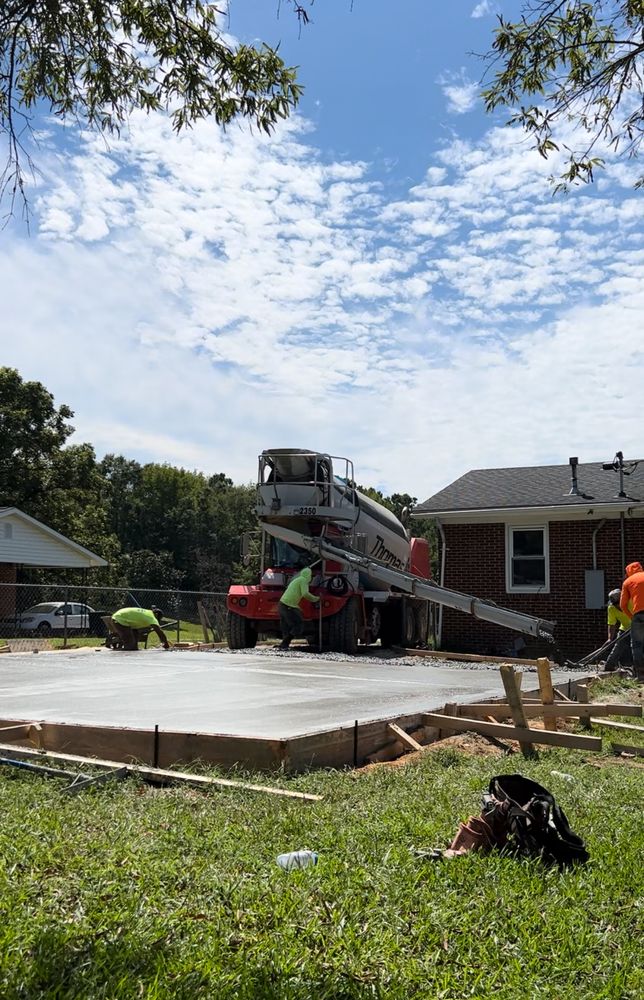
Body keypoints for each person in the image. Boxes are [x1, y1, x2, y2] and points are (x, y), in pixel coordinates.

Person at [278, 566, 320, 650]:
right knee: (298, 625)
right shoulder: (303, 580)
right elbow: (305, 594)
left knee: (286, 625)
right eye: (311, 576)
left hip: (282, 604)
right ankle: (284, 643)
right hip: (288, 605)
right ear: (308, 575)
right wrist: (316, 599)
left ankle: (284, 645)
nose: (311, 578)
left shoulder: (297, 580)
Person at [620, 562, 644, 681]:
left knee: (638, 646)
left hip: (639, 615)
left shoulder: (628, 582)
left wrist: (632, 617)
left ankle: (641, 676)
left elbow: (623, 605)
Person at [604, 588, 632, 671]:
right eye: (615, 604)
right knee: (618, 647)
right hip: (624, 629)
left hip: (638, 627)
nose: (617, 606)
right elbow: (611, 624)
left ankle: (638, 670)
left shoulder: (632, 602)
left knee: (637, 648)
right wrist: (610, 638)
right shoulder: (611, 608)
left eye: (618, 603)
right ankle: (609, 666)